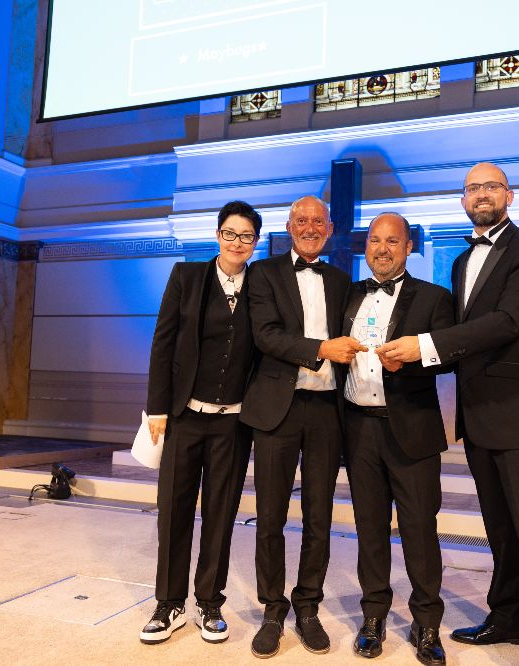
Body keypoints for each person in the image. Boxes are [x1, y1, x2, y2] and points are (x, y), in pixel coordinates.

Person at [379, 163, 519, 665]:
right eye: (472, 188)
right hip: (479, 415)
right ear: (463, 199)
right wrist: (411, 356)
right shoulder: (463, 261)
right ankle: (507, 617)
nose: (481, 194)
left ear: (509, 195)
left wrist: (422, 344)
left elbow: (507, 322)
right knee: (501, 530)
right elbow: (465, 344)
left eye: (490, 186)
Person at [239, 195, 361, 659]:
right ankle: (273, 607)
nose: (310, 227)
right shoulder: (264, 273)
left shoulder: (340, 279)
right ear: (290, 226)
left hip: (327, 409)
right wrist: (321, 349)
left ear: (329, 230)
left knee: (319, 515)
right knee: (269, 515)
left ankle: (307, 606)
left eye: (318, 221)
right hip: (278, 408)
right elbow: (265, 335)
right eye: (302, 220)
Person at [140, 200, 262, 646]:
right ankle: (168, 604)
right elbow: (163, 344)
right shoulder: (186, 278)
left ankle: (210, 602)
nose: (237, 242)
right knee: (172, 512)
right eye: (230, 233)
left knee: (220, 514)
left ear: (255, 243)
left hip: (234, 425)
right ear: (217, 235)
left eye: (246, 236)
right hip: (185, 418)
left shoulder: (262, 286)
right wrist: (157, 407)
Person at [343, 213, 453, 665]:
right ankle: (373, 616)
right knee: (369, 528)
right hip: (358, 427)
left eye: (393, 241)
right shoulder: (349, 295)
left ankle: (426, 623)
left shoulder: (434, 297)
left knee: (419, 531)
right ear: (365, 247)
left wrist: (410, 360)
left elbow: (448, 358)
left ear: (409, 247)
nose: (382, 248)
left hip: (411, 429)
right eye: (375, 240)